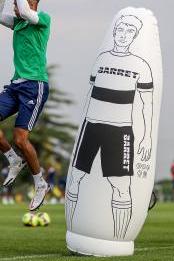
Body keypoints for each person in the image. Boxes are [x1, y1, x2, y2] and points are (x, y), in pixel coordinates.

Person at [65, 15, 154, 239]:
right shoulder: (102, 59)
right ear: (114, 32)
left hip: (120, 130)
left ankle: (118, 238)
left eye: (129, 32)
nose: (123, 35)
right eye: (120, 30)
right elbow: (89, 94)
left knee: (121, 186)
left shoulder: (141, 65)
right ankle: (75, 231)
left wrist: (147, 138)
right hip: (91, 126)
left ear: (134, 36)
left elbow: (147, 104)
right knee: (75, 177)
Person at [0, 0, 51, 211]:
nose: (14, 10)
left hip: (35, 86)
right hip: (15, 85)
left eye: (18, 5)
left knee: (21, 139)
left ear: (30, 5)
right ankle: (13, 160)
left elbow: (29, 14)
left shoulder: (42, 20)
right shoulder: (18, 24)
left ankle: (40, 183)